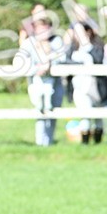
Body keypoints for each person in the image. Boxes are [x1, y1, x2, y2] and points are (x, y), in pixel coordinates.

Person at [19, 14, 68, 146]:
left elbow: (63, 59)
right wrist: (37, 69)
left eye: (46, 29)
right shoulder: (29, 43)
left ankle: (49, 141)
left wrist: (49, 62)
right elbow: (22, 62)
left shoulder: (56, 41)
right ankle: (40, 141)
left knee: (52, 110)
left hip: (56, 83)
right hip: (36, 83)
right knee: (40, 109)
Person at [68, 22, 107, 145]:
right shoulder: (73, 48)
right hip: (79, 87)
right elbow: (66, 61)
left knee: (98, 114)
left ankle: (98, 142)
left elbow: (98, 59)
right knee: (84, 113)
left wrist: (87, 45)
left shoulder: (96, 46)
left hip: (95, 86)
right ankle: (85, 142)